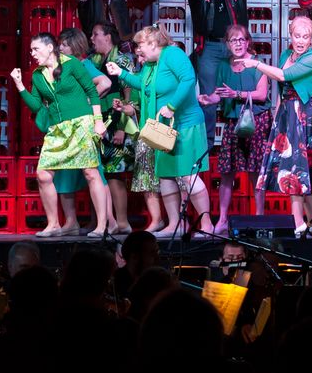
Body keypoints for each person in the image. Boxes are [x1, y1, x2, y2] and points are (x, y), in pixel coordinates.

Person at [105, 24, 214, 238]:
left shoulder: (172, 54)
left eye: (140, 45)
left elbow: (188, 79)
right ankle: (175, 225)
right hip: (163, 129)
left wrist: (172, 106)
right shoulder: (150, 65)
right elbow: (142, 84)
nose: (138, 50)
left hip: (185, 124)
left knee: (188, 175)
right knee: (165, 176)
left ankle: (207, 224)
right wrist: (121, 73)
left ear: (154, 43)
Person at [165, 0, 276, 143]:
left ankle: (243, 141)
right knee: (208, 98)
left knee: (242, 92)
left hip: (237, 47)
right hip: (209, 46)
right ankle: (206, 148)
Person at [10, 33, 110, 238]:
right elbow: (36, 106)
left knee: (91, 173)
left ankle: (101, 226)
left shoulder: (71, 63)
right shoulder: (37, 75)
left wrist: (98, 121)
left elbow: (92, 91)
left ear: (49, 48)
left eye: (36, 49)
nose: (32, 54)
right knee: (43, 174)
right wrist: (20, 85)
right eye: (31, 50)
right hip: (57, 129)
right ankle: (53, 224)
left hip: (81, 124)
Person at [240, 15, 312, 237]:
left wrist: (256, 64)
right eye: (297, 36)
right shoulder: (285, 55)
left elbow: (282, 75)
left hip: (305, 114)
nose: (301, 40)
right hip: (287, 113)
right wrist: (276, 114)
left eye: (305, 37)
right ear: (291, 35)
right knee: (298, 165)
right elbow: (281, 88)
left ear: (311, 39)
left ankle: (298, 222)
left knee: (295, 167)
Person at [196, 24, 270, 234]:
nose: (237, 44)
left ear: (248, 42)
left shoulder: (257, 64)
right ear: (227, 44)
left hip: (256, 121)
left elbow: (262, 95)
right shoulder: (223, 66)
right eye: (233, 40)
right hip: (232, 122)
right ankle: (222, 219)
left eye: (241, 40)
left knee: (255, 172)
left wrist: (237, 94)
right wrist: (209, 99)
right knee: (227, 172)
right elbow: (220, 94)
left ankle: (259, 218)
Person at [56, 27, 130, 236]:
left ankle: (112, 221)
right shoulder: (72, 65)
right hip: (71, 125)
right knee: (72, 172)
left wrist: (84, 103)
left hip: (92, 123)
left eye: (64, 44)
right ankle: (78, 222)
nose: (60, 48)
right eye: (60, 44)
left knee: (97, 173)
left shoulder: (83, 64)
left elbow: (106, 83)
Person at [87, 22, 147, 234]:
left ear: (108, 37)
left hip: (117, 120)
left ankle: (122, 222)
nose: (92, 38)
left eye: (95, 34)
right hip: (100, 120)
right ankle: (100, 221)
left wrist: (122, 127)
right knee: (98, 173)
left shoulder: (121, 60)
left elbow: (130, 93)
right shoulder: (95, 60)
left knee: (114, 173)